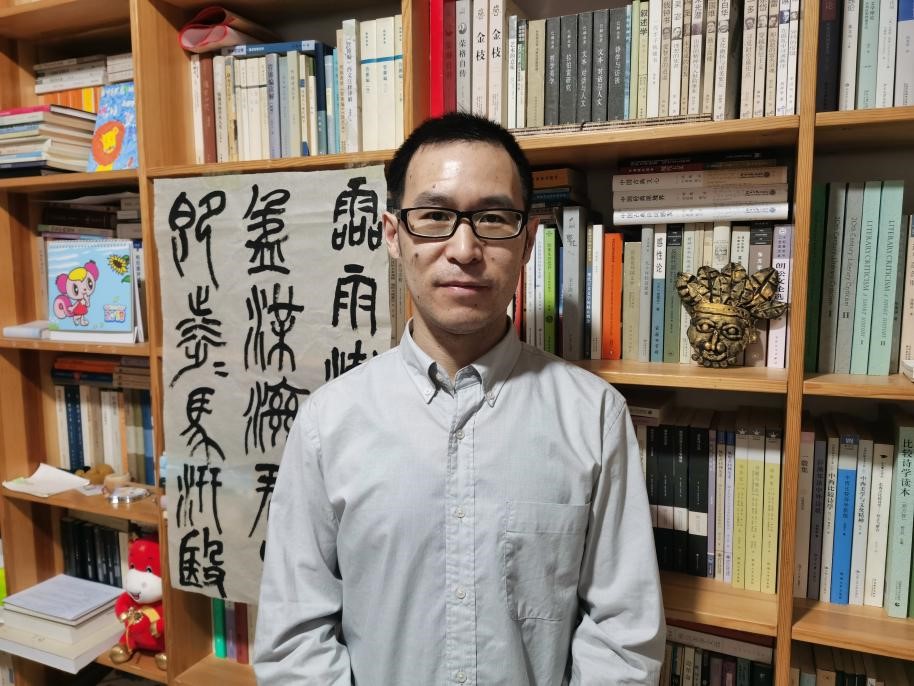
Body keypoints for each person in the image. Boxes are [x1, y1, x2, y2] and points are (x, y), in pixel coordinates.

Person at [253, 112, 665, 685]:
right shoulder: (329, 422)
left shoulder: (593, 416)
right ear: (393, 235)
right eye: (435, 216)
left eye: (493, 218)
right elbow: (295, 639)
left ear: (527, 241)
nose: (465, 249)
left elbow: (623, 637)